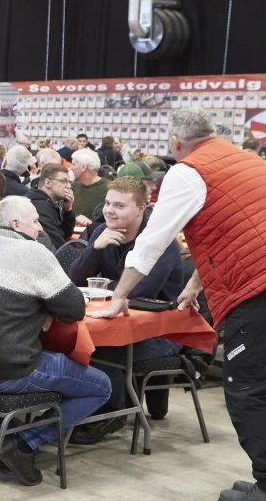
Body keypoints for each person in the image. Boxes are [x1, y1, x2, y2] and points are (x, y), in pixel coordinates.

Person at [95, 108, 266, 501]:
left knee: (247, 387)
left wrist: (119, 294)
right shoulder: (246, 159)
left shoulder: (188, 171)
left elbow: (153, 240)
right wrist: (196, 284)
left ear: (175, 142)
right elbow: (234, 231)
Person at [0, 195, 110, 485]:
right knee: (101, 387)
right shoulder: (34, 252)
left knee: (2, 342)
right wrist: (46, 307)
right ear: (16, 224)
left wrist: (41, 307)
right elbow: (74, 309)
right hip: (8, 374)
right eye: (36, 221)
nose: (40, 228)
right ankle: (24, 443)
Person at [67, 176, 186, 438]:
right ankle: (87, 408)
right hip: (122, 322)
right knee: (79, 341)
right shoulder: (102, 231)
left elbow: (141, 291)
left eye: (120, 206)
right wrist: (95, 249)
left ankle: (112, 415)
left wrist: (103, 289)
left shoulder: (160, 240)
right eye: (108, 203)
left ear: (141, 209)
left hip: (166, 331)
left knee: (107, 347)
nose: (109, 210)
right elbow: (75, 279)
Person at [26, 163, 76, 248]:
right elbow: (57, 243)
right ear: (48, 183)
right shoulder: (41, 206)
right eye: (63, 181)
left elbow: (66, 233)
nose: (69, 186)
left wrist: (68, 209)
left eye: (69, 182)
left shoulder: (50, 202)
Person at [69, 148, 106, 227]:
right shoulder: (73, 186)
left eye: (73, 164)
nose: (71, 168)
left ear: (83, 167)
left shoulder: (109, 189)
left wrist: (91, 223)